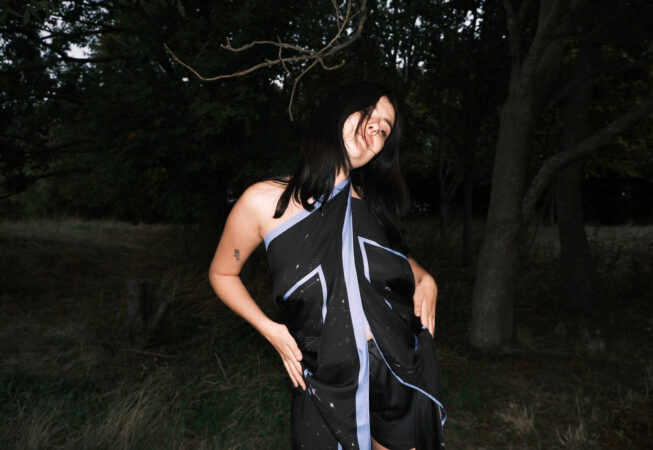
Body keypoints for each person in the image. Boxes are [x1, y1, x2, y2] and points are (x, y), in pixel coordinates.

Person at [209, 82, 445, 449]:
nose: (375, 128)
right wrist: (270, 330)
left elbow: (387, 259)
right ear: (337, 111)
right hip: (325, 380)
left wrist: (425, 277)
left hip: (395, 369)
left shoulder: (369, 204)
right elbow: (222, 273)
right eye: (368, 114)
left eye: (384, 129)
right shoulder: (262, 202)